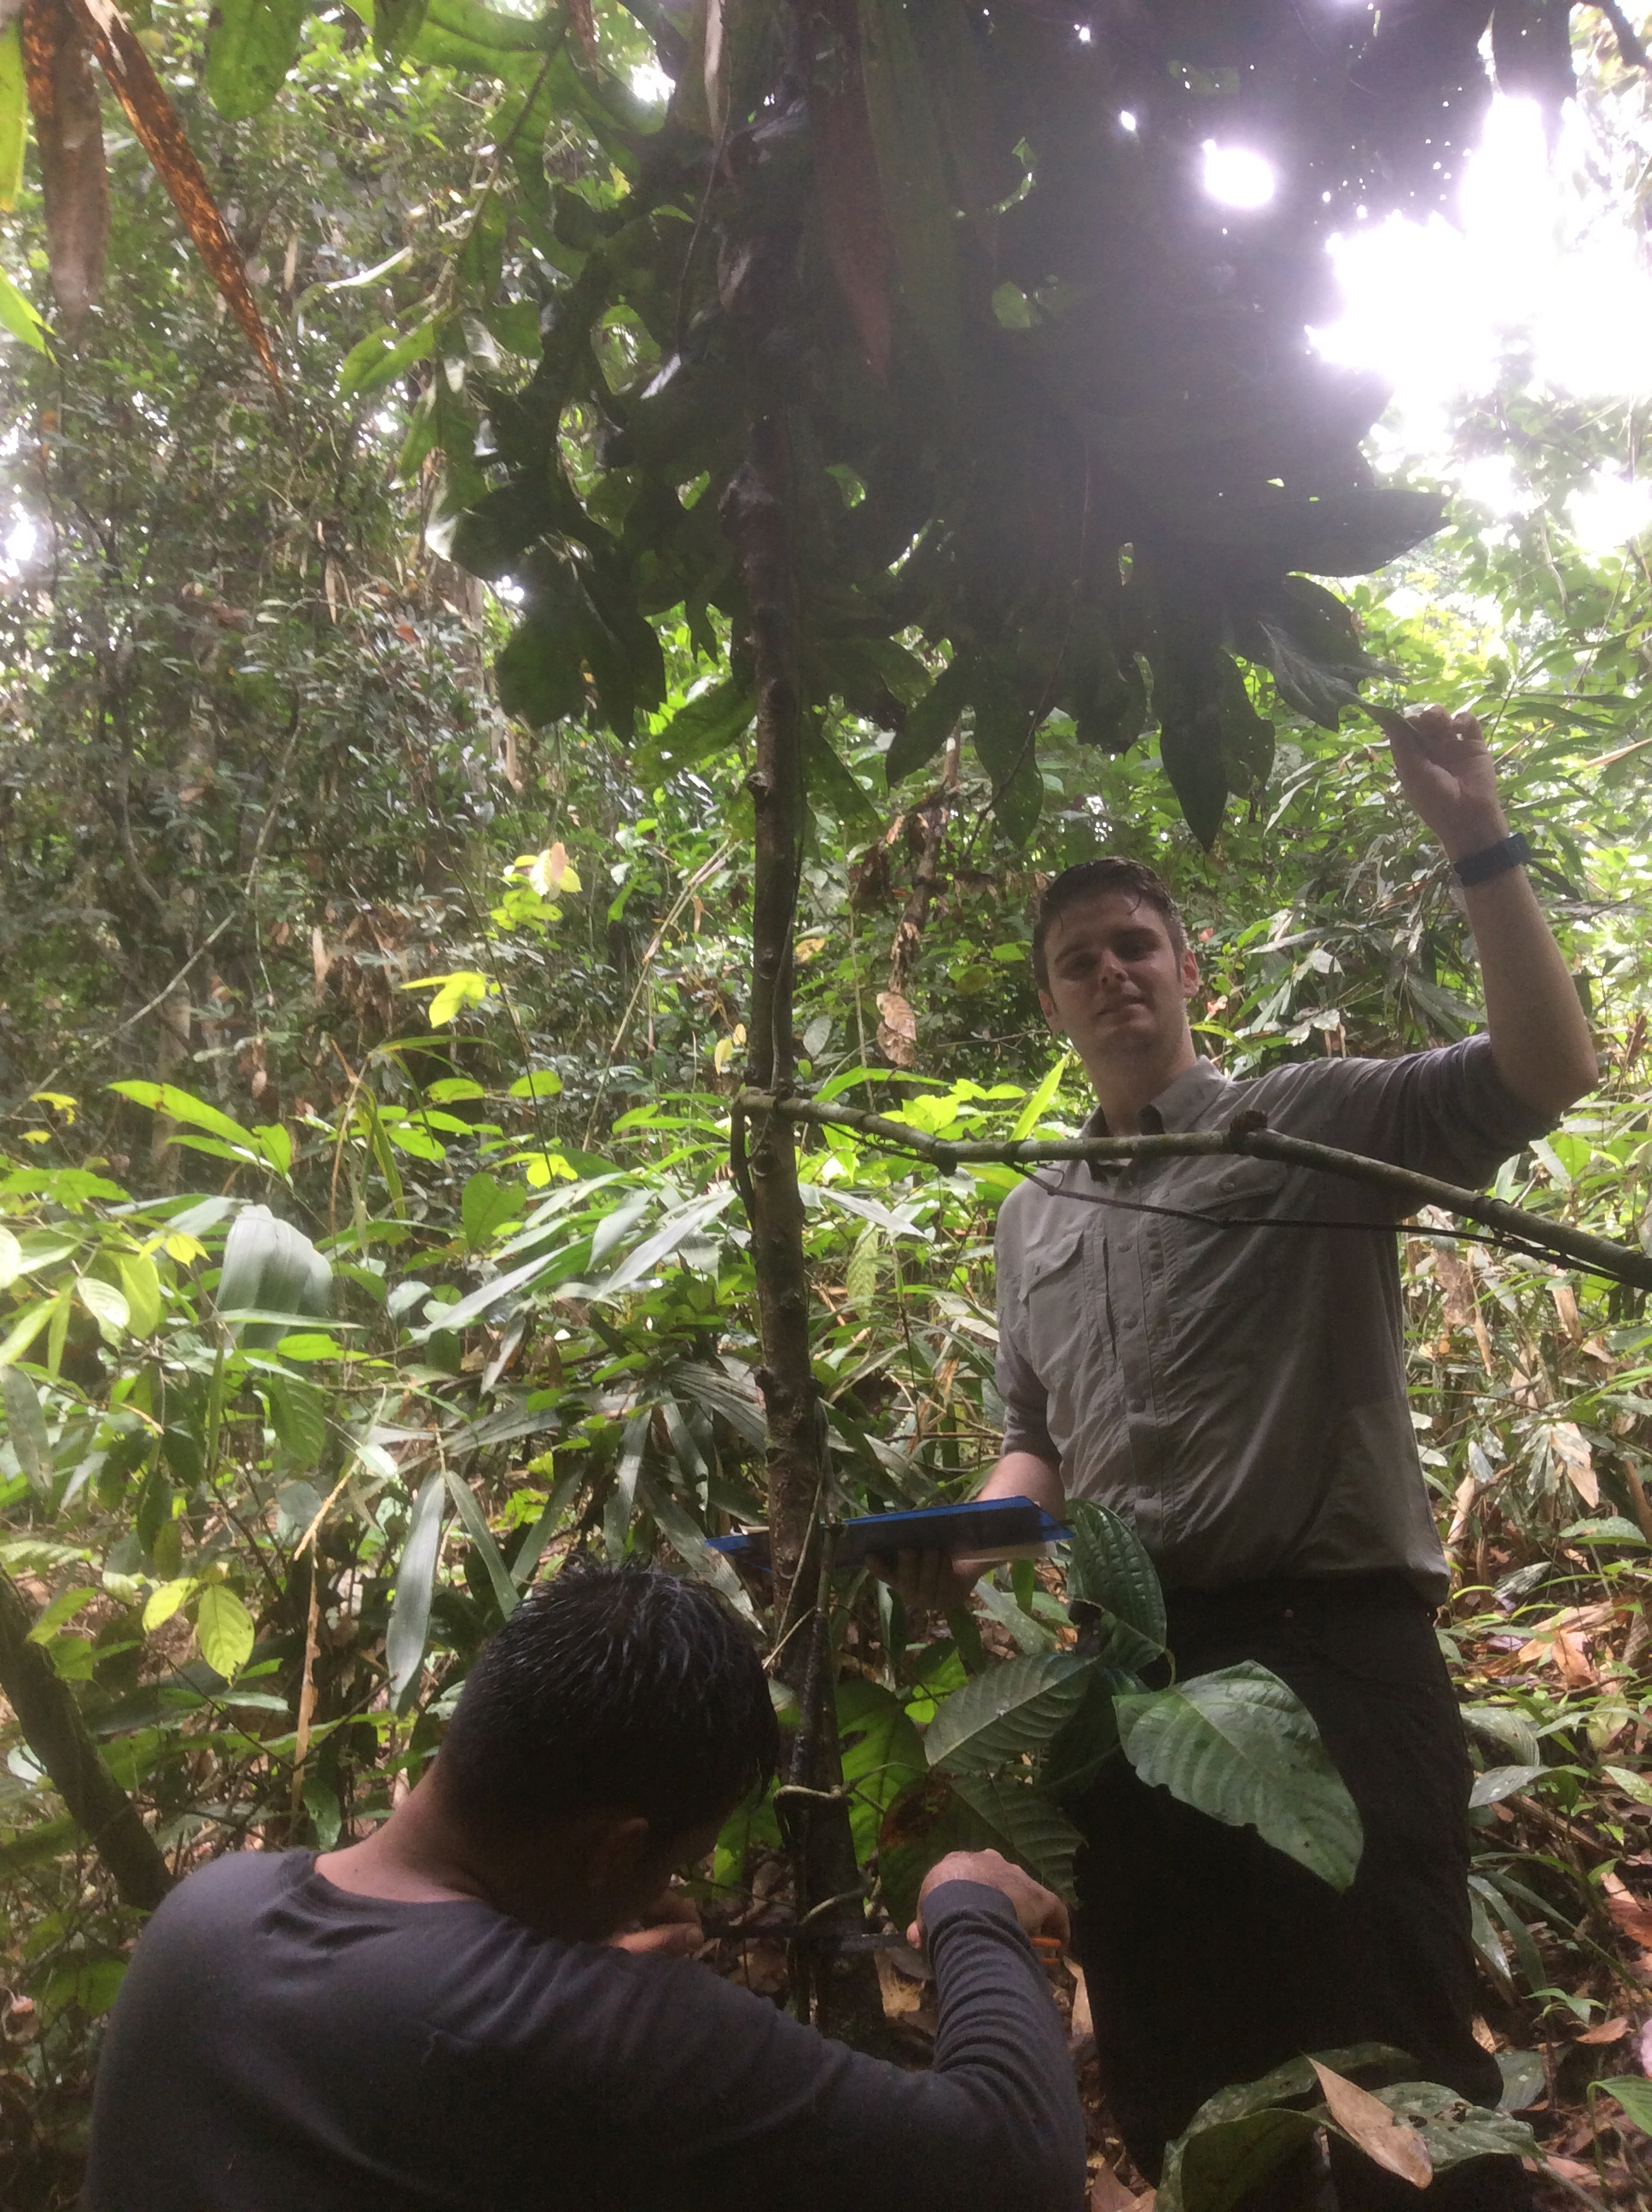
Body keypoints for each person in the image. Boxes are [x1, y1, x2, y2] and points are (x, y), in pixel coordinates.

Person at [881, 709, 1597, 2209]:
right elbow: (1038, 1442)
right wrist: (973, 1531)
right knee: (1181, 2068)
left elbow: (1543, 1070)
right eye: (1079, 959)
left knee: (1402, 2068)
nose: (1111, 973)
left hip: (1329, 1645)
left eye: (1135, 942)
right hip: (1128, 1678)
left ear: (1187, 967)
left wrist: (1478, 834)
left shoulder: (1311, 1129)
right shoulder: (1035, 1215)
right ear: (1052, 1001)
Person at [86, 1561, 1085, 2212]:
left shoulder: (207, 1913)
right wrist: (971, 1907)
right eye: (667, 1864)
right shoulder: (604, 2028)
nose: (671, 1892)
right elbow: (1012, 2168)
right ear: (616, 1848)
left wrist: (577, 1983)